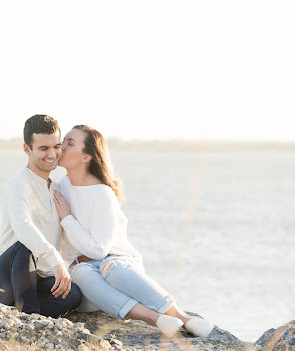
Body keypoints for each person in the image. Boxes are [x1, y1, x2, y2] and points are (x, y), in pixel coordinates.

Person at [52, 124, 214, 338]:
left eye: (70, 144)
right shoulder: (59, 187)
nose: (61, 147)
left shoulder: (102, 194)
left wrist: (67, 219)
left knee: (111, 268)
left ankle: (182, 318)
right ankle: (154, 318)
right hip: (90, 284)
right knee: (80, 272)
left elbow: (99, 251)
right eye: (63, 141)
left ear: (86, 157)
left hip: (118, 264)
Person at [0, 115, 82, 317]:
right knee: (24, 244)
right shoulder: (19, 184)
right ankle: (30, 317)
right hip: (5, 277)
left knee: (73, 295)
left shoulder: (56, 188)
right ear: (26, 149)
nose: (52, 154)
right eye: (43, 148)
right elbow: (22, 225)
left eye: (56, 146)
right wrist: (55, 260)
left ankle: (29, 312)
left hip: (38, 278)